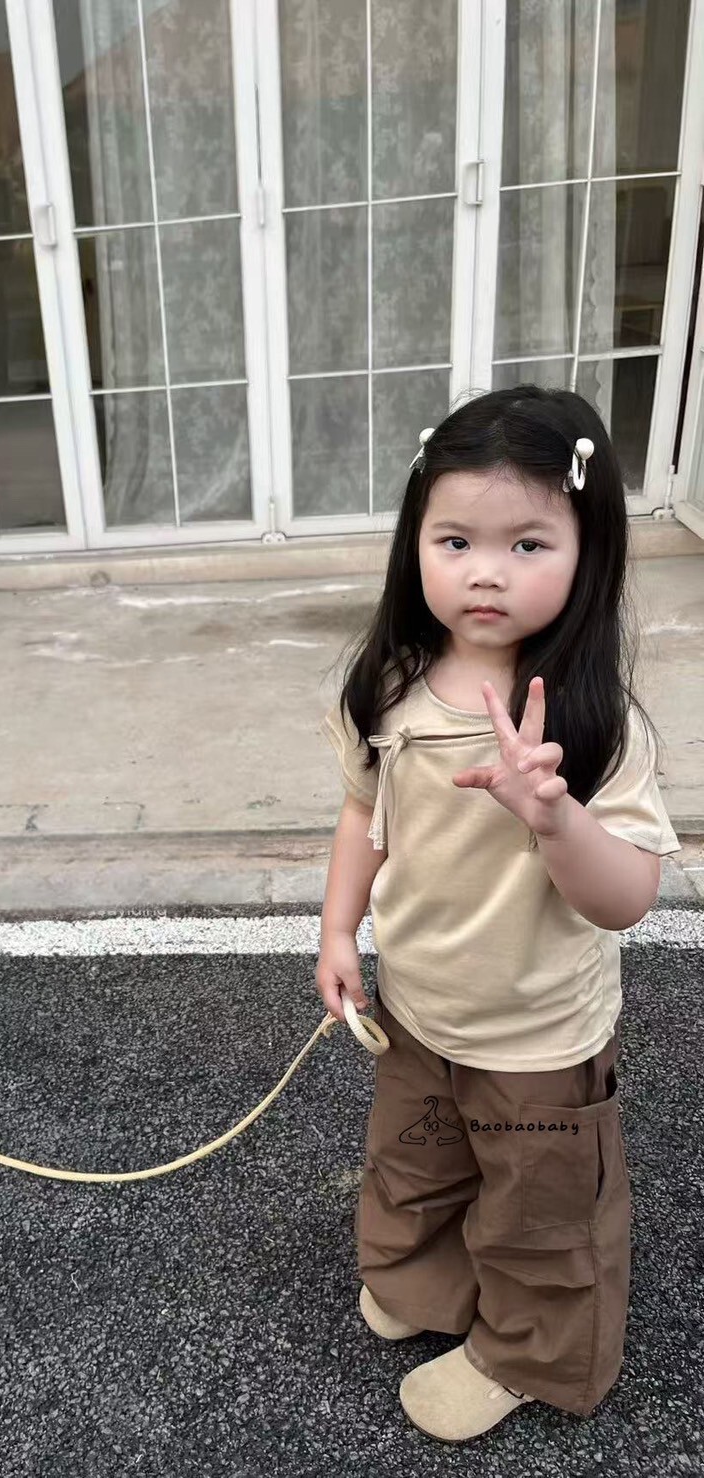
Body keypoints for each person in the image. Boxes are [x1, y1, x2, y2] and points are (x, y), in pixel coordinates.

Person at [315, 384, 681, 1442]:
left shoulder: (591, 723)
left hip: (537, 1034)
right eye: (456, 540)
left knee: (540, 1209)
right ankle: (427, 1286)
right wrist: (337, 931)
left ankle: (527, 1353)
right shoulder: (389, 685)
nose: (486, 571)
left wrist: (554, 815)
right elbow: (364, 814)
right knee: (417, 1163)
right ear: (414, 544)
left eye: (528, 543)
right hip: (419, 1008)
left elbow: (627, 898)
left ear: (589, 551)